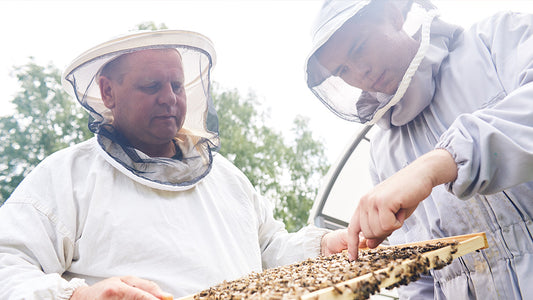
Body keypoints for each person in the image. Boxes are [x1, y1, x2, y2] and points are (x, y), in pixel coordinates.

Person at [0, 30, 348, 299]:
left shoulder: (227, 178)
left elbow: (270, 249)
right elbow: (7, 266)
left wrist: (321, 248)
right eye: (151, 85)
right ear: (108, 92)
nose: (169, 97)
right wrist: (79, 294)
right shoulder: (65, 176)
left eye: (177, 85)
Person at [305, 0, 533, 299]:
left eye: (359, 47)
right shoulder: (382, 152)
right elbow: (419, 274)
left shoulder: (497, 38)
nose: (360, 72)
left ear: (393, 15)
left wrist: (438, 163)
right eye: (342, 70)